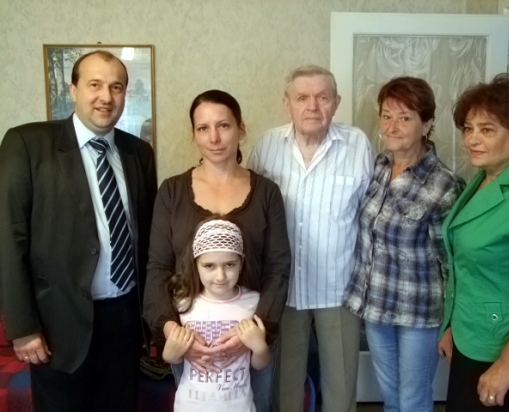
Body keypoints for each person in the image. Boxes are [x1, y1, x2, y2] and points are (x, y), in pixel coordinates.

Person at [0, 50, 157, 412]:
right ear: (73, 90)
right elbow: (8, 238)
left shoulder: (139, 153)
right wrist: (22, 326)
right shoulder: (27, 144)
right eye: (95, 85)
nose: (106, 97)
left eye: (116, 87)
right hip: (58, 325)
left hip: (124, 320)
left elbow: (147, 238)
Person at [143, 89, 290, 412]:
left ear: (241, 128)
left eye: (223, 125)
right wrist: (173, 332)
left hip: (253, 338)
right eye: (203, 128)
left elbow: (278, 268)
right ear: (193, 134)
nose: (214, 138)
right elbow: (158, 268)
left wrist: (253, 334)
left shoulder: (267, 193)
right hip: (191, 341)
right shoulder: (172, 192)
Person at [248, 64, 374, 412]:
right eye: (302, 97)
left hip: (339, 289)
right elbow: (252, 210)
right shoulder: (267, 145)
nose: (313, 106)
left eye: (323, 97)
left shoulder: (358, 145)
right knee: (285, 389)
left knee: (341, 388)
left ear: (336, 102)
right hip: (284, 290)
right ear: (286, 103)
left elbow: (370, 216)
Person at [342, 77, 464, 412]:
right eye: (386, 116)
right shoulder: (378, 167)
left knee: (413, 398)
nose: (392, 127)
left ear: (427, 124)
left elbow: (451, 263)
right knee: (390, 395)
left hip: (419, 311)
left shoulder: (444, 184)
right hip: (376, 304)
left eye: (405, 117)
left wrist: (451, 324)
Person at [438, 74, 509, 411]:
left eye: (487, 130)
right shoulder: (484, 180)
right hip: (474, 339)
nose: (472, 139)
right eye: (468, 128)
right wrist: (452, 327)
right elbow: (469, 268)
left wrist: (506, 367)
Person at [163, 217, 270, 411]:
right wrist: (169, 355)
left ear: (241, 262)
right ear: (196, 264)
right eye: (209, 266)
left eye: (230, 265)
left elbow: (260, 365)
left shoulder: (253, 302)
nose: (220, 276)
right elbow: (178, 357)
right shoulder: (183, 303)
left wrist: (260, 348)